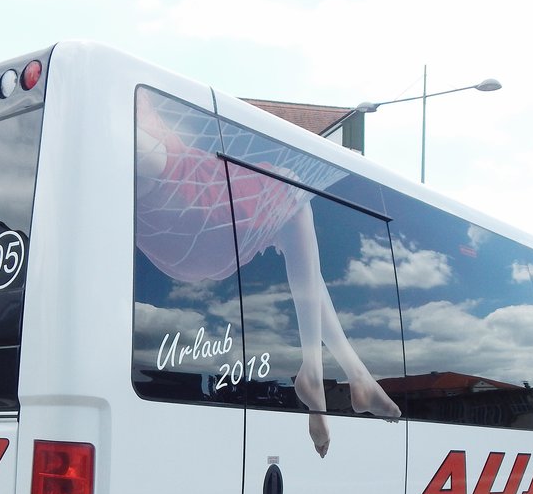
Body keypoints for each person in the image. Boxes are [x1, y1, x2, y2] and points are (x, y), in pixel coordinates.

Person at [135, 91, 399, 457]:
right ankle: (318, 371)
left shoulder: (124, 103)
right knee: (291, 192)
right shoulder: (126, 110)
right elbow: (145, 154)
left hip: (186, 225)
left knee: (298, 235)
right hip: (195, 213)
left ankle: (354, 374)